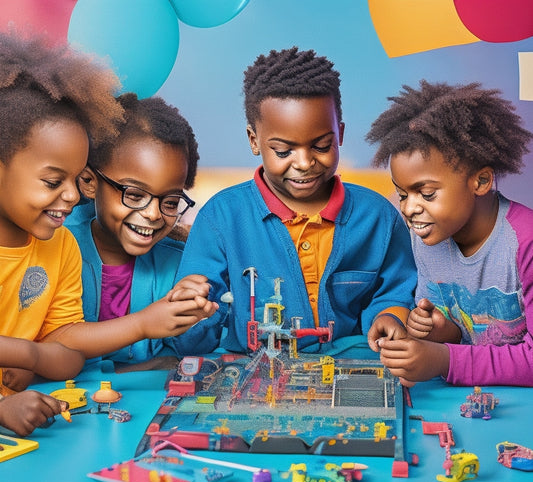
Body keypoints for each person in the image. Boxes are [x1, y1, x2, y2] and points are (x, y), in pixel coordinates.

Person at [0, 31, 213, 435]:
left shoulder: (57, 245)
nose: (71, 195)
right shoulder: (68, 240)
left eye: (169, 201)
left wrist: (30, 356)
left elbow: (65, 355)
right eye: (52, 181)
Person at [173, 47, 417, 356]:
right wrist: (191, 312)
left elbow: (395, 290)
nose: (304, 162)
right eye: (284, 150)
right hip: (259, 376)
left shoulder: (378, 218)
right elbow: (194, 338)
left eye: (321, 145)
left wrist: (390, 315)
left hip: (349, 371)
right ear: (254, 140)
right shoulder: (220, 218)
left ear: (339, 133)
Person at [366, 80, 533, 386]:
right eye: (403, 195)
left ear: (480, 181)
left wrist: (443, 359)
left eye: (426, 194)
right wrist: (437, 331)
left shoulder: (525, 242)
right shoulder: (428, 238)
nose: (409, 209)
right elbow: (462, 333)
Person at [66, 92, 215, 368]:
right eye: (134, 195)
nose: (153, 213)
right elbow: (49, 345)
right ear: (89, 182)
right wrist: (144, 329)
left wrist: (198, 314)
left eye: (170, 201)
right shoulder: (58, 248)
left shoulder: (178, 265)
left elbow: (183, 355)